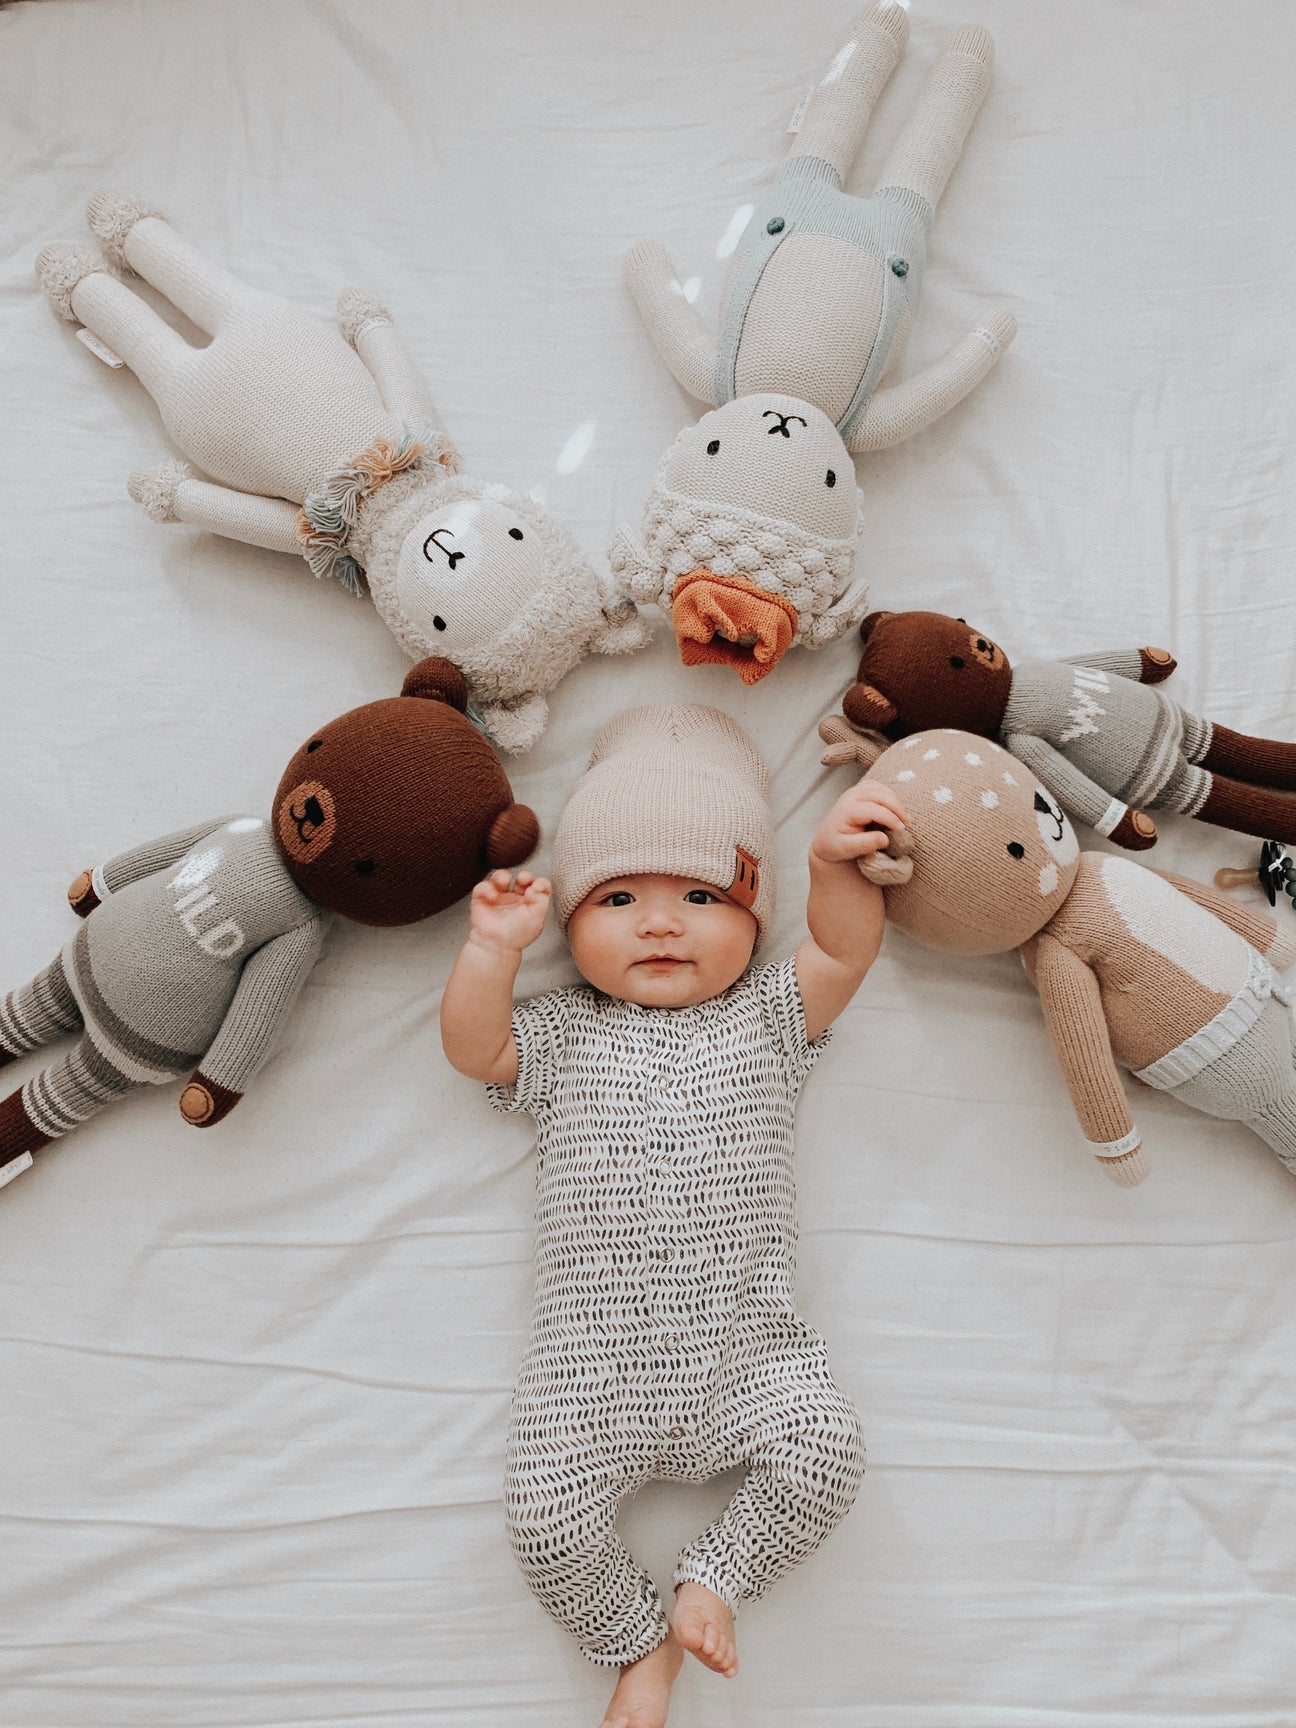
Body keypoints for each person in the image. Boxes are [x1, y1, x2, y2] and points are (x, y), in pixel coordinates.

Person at [440, 703, 907, 1728]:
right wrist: (491, 952)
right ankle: (638, 1646)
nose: (660, 922)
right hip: (590, 1375)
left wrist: (833, 866)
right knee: (546, 1524)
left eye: (700, 894)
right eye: (619, 898)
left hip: (750, 1358)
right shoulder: (563, 1033)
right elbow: (476, 1051)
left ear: (752, 914)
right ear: (571, 923)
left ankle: (714, 1580)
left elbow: (842, 953)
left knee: (827, 1453)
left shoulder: (768, 1021)